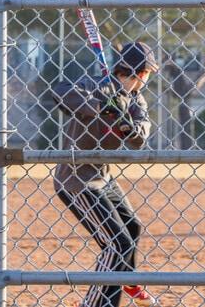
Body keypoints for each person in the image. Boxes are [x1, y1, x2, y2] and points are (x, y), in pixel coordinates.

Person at [52, 41, 159, 307]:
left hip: (104, 178)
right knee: (116, 244)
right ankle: (95, 304)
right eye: (148, 74)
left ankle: (129, 281)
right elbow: (61, 92)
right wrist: (101, 106)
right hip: (77, 180)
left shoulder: (135, 99)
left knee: (132, 228)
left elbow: (141, 136)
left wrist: (127, 124)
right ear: (142, 73)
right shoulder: (96, 86)